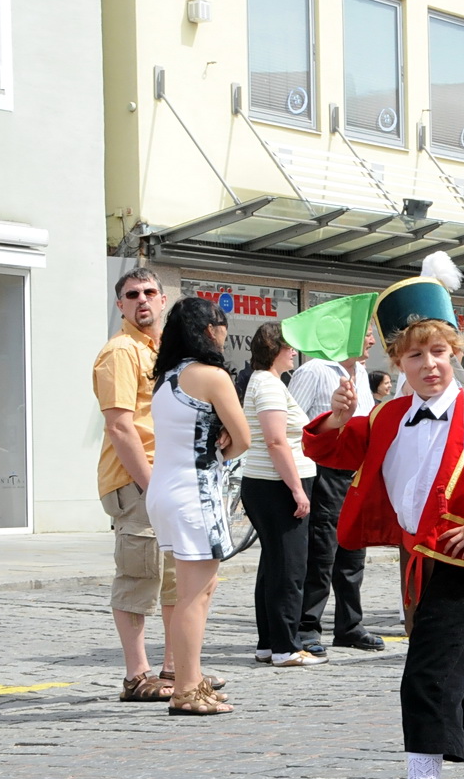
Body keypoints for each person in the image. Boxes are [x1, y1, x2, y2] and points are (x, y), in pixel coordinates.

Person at [303, 255, 464, 779]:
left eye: (438, 353)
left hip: (460, 558)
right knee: (448, 677)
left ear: (454, 351)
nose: (429, 366)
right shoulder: (385, 415)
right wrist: (333, 416)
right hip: (413, 563)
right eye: (414, 356)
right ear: (396, 362)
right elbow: (332, 449)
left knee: (425, 677)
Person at [146, 297, 251, 715]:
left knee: (193, 590)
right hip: (196, 492)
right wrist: (223, 447)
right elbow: (243, 438)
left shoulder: (167, 377)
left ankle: (190, 676)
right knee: (195, 595)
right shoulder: (212, 376)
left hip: (164, 491)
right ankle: (187, 687)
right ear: (211, 329)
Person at [93, 268, 182, 702]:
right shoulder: (121, 352)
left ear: (163, 300)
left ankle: (173, 666)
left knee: (171, 577)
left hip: (164, 475)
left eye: (149, 292)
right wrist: (151, 486)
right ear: (120, 305)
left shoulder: (162, 351)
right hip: (135, 479)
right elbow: (119, 427)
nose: (142, 300)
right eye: (132, 294)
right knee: (138, 574)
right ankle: (136, 675)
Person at [288, 328, 386, 653]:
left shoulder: (359, 372)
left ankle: (349, 625)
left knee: (354, 552)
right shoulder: (314, 370)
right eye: (367, 333)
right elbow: (292, 422)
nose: (372, 341)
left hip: (356, 473)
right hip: (323, 471)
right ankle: (307, 626)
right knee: (322, 551)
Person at [242, 322, 321, 666]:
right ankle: (286, 647)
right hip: (277, 484)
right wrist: (296, 489)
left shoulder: (264, 382)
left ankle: (269, 642)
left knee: (273, 565)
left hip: (266, 482)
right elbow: (276, 441)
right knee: (289, 567)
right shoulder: (269, 385)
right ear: (276, 349)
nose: (293, 353)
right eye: (289, 347)